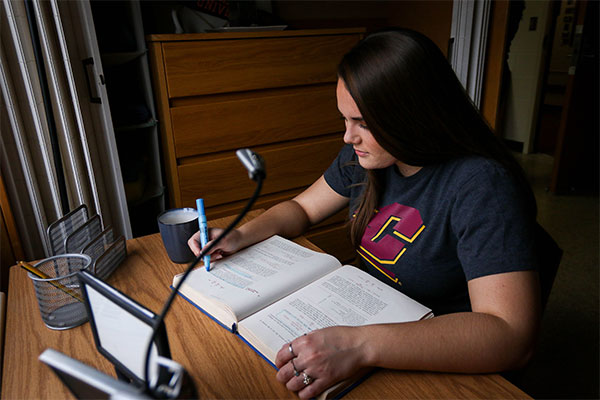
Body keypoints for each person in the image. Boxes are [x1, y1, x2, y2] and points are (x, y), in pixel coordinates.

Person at [188, 28, 541, 399]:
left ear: (414, 115)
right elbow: (302, 208)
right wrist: (239, 235)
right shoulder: (367, 157)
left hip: (438, 356)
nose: (347, 137)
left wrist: (360, 345)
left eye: (363, 123)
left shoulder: (482, 185)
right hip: (368, 317)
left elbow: (511, 336)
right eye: (345, 120)